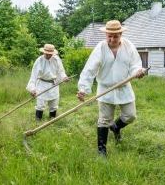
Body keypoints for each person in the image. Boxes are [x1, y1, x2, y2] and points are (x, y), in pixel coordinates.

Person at [77, 20, 146, 157]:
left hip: (124, 86)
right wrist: (83, 88)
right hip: (105, 88)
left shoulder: (128, 46)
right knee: (104, 119)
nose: (112, 39)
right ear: (106, 34)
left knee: (130, 115)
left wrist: (138, 71)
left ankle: (115, 128)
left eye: (115, 36)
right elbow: (89, 69)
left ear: (121, 34)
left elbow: (135, 64)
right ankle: (102, 150)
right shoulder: (100, 48)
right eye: (109, 36)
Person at [27, 44, 69, 121]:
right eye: (47, 53)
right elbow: (33, 75)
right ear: (44, 52)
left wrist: (64, 77)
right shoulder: (39, 60)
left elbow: (61, 71)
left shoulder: (56, 59)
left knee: (54, 104)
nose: (48, 55)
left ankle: (52, 120)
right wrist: (32, 89)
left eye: (50, 54)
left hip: (54, 84)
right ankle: (38, 121)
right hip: (42, 85)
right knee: (40, 104)